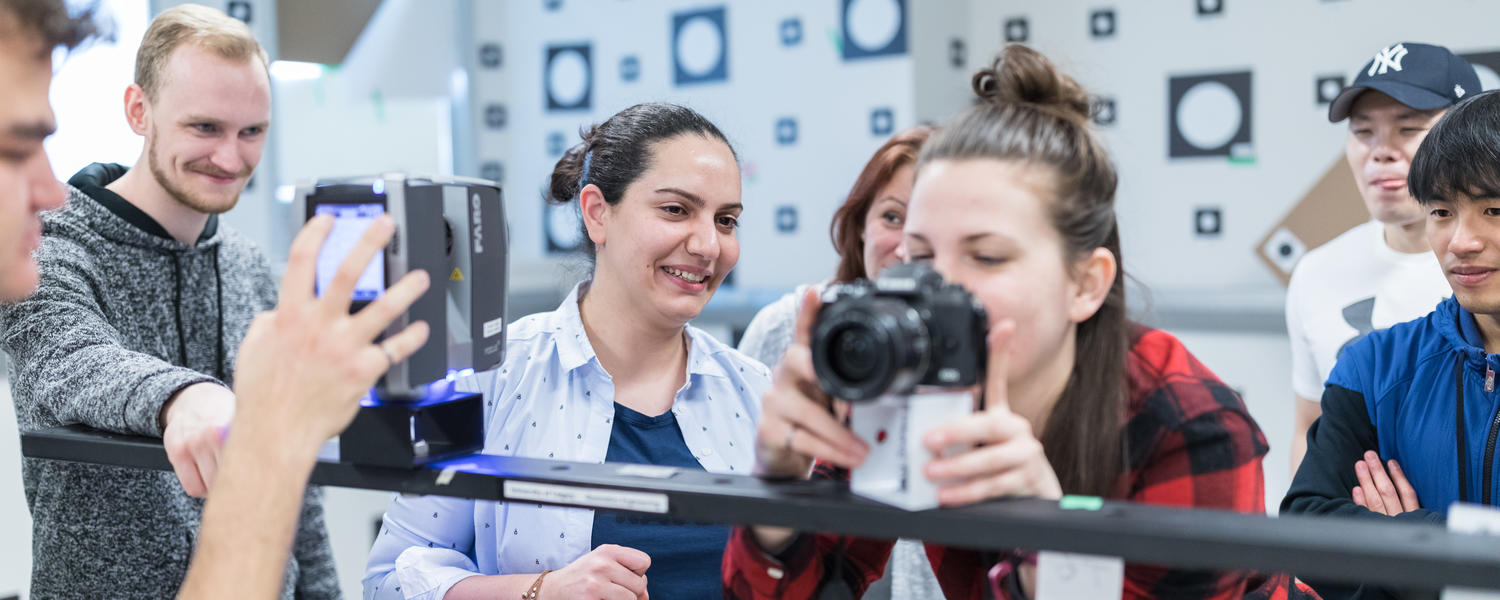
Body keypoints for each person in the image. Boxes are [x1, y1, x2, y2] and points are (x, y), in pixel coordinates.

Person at [722, 45, 1282, 599]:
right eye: (918, 258)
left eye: (986, 257)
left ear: (1086, 283)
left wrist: (1051, 539)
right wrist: (780, 494)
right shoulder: (907, 382)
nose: (935, 290)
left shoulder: (1189, 425)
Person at [364, 102, 772, 600]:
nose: (709, 244)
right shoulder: (489, 375)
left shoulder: (754, 390)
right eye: (676, 210)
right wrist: (540, 591)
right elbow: (386, 586)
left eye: (726, 220)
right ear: (597, 212)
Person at [0, 4, 339, 598]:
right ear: (139, 110)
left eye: (251, 132)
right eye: (205, 128)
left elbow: (297, 494)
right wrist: (186, 396)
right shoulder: (48, 245)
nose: (231, 158)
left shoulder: (250, 267)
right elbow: (68, 360)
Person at [1281, 89, 1500, 598]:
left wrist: (1411, 548)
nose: (1461, 241)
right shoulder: (1374, 366)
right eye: (1442, 211)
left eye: (1493, 209)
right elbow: (1305, 538)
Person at [737, 125, 943, 599]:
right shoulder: (795, 329)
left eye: (931, 232)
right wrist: (778, 481)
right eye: (892, 217)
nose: (908, 249)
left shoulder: (988, 348)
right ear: (861, 225)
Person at [1286, 42, 1479, 472]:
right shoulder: (1316, 272)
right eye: (1362, 131)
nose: (1381, 151)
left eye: (1408, 129)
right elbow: (1308, 427)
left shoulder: (1484, 273)